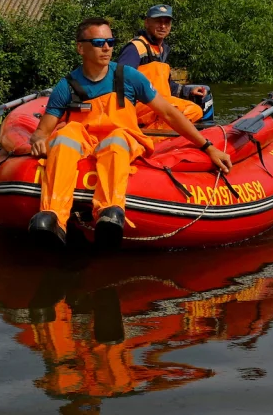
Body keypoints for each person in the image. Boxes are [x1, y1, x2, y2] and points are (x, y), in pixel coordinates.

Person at [27, 17, 233, 248]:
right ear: (80, 48)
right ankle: (53, 216)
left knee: (115, 141)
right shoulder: (66, 86)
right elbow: (42, 131)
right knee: (65, 135)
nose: (106, 48)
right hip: (85, 142)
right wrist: (39, 140)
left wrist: (208, 146)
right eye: (98, 42)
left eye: (110, 41)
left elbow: (169, 113)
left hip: (122, 138)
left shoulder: (129, 77)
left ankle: (109, 212)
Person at [116, 4, 205, 130]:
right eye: (158, 21)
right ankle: (153, 138)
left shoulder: (163, 50)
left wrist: (188, 91)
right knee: (185, 111)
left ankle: (162, 131)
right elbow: (121, 81)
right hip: (141, 105)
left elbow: (166, 84)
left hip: (160, 103)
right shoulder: (135, 48)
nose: (163, 26)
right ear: (147, 23)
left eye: (167, 22)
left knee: (196, 110)